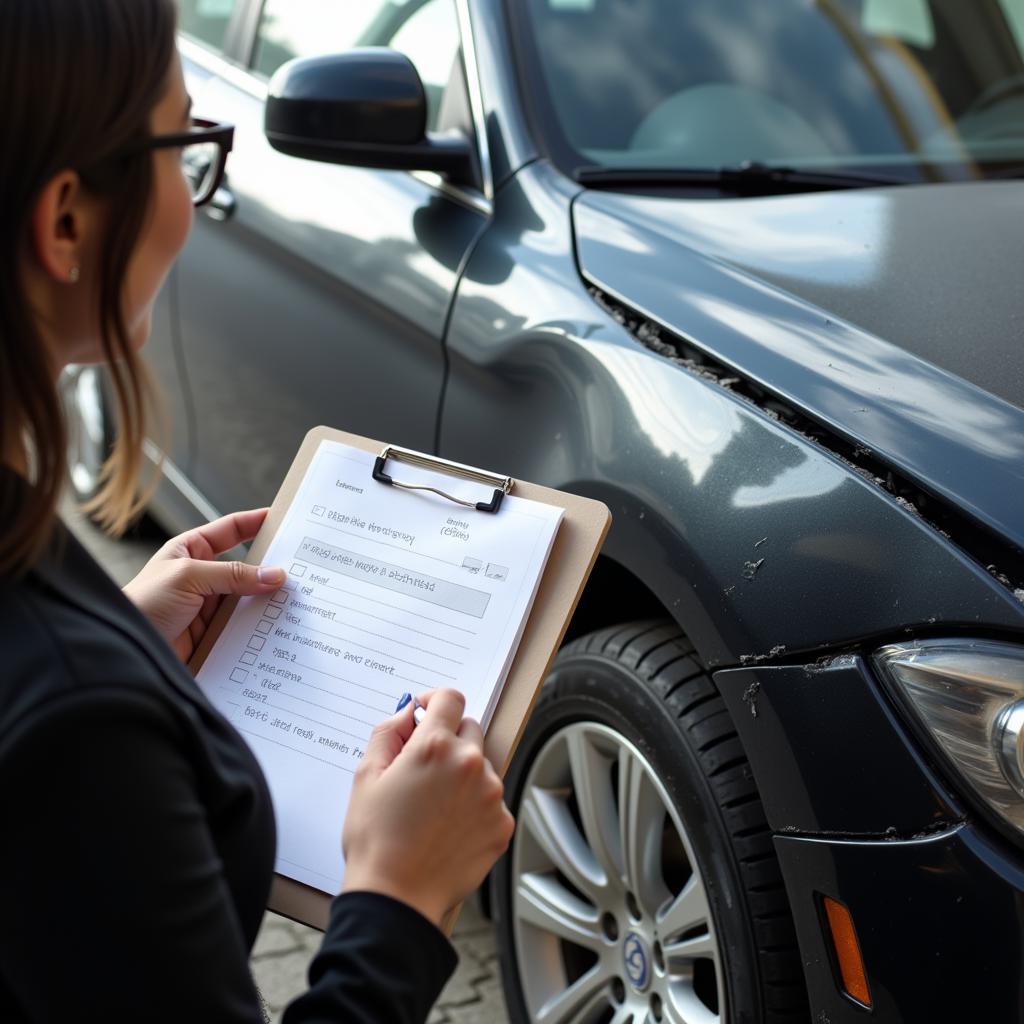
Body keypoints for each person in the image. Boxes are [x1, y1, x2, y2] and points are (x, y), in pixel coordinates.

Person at [0, 1, 515, 1021]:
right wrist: (398, 898)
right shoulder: (77, 725)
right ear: (66, 221)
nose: (197, 193)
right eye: (186, 142)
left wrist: (115, 638)